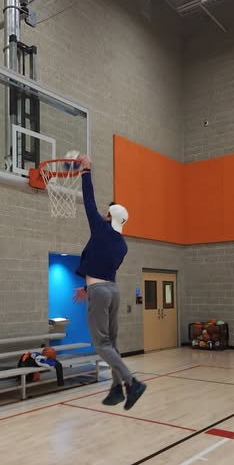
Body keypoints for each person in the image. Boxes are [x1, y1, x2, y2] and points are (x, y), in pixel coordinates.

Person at [72, 155, 146, 410]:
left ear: (108, 217)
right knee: (112, 343)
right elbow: (105, 269)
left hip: (100, 292)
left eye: (106, 213)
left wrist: (86, 171)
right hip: (113, 290)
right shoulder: (122, 245)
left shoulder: (100, 228)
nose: (102, 214)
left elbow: (88, 200)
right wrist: (86, 288)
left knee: (101, 344)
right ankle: (116, 389)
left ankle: (131, 382)